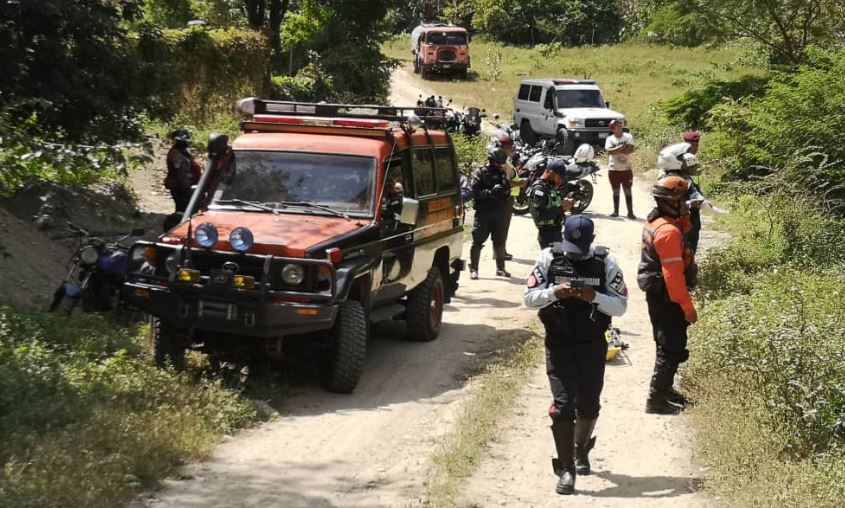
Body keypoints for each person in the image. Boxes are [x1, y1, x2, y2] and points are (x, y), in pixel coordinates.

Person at [524, 215, 628, 495]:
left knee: (589, 404)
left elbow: (620, 306)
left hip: (593, 344)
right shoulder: (548, 258)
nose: (575, 256)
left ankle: (581, 450)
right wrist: (555, 292)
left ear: (592, 242)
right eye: (571, 249)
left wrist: (593, 297)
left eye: (581, 251)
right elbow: (528, 298)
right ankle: (567, 470)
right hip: (558, 344)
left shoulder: (607, 262)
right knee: (562, 406)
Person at [637, 175, 699, 415]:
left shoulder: (658, 222)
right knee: (670, 346)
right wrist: (687, 308)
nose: (688, 205)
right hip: (667, 297)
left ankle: (666, 390)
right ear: (672, 202)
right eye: (684, 200)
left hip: (659, 295)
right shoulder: (668, 232)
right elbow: (673, 276)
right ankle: (657, 398)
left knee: (667, 343)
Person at [469, 145, 512, 279]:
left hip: (498, 212)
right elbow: (474, 192)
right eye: (498, 163)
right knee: (478, 240)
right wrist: (490, 192)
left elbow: (507, 190)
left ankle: (501, 268)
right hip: (484, 212)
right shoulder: (480, 173)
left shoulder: (501, 173)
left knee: (499, 240)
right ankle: (474, 269)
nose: (499, 165)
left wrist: (504, 189)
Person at [657, 141, 707, 252]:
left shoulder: (687, 179)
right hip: (676, 222)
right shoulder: (668, 180)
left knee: (689, 250)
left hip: (689, 220)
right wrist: (688, 203)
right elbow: (668, 202)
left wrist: (699, 200)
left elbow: (695, 192)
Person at [528, 159, 572, 248]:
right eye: (560, 178)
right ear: (551, 173)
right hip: (547, 236)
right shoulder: (539, 189)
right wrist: (561, 208)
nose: (560, 182)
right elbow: (540, 215)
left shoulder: (549, 186)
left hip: (555, 232)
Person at [492, 131, 518, 260]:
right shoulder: (502, 162)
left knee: (502, 226)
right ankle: (499, 253)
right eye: (510, 147)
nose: (512, 149)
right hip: (505, 197)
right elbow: (506, 182)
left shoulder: (503, 159)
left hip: (507, 196)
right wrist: (520, 183)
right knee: (502, 226)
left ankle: (501, 250)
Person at [164, 129, 202, 214]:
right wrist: (188, 192)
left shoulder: (183, 152)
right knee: (183, 211)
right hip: (181, 188)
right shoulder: (177, 155)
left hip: (186, 186)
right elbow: (181, 175)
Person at [604, 120, 636, 218]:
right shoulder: (610, 139)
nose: (620, 127)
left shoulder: (628, 136)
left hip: (626, 168)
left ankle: (630, 212)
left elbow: (630, 150)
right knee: (616, 191)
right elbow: (609, 151)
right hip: (614, 168)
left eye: (620, 125)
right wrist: (623, 147)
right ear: (613, 129)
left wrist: (616, 149)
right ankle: (616, 211)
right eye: (617, 126)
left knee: (628, 190)